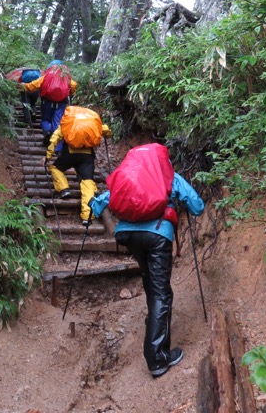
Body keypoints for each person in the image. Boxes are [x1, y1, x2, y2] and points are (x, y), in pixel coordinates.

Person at [88, 159, 205, 378]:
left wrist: (92, 209)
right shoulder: (168, 176)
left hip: (129, 236)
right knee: (162, 292)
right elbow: (197, 206)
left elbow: (99, 204)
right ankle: (157, 358)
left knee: (151, 283)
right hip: (158, 235)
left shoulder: (130, 180)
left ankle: (154, 325)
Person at [43, 110, 112, 225]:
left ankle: (64, 189)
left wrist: (48, 156)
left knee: (55, 168)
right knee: (87, 183)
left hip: (69, 154)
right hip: (87, 157)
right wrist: (106, 133)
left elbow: (55, 138)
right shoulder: (93, 124)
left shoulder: (67, 123)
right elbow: (107, 131)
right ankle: (87, 215)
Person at [20, 60, 77, 145]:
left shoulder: (46, 76)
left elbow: (34, 85)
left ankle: (47, 131)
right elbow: (74, 85)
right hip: (60, 104)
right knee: (57, 122)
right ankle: (56, 146)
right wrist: (71, 93)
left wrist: (23, 86)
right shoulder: (66, 78)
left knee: (45, 120)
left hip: (47, 102)